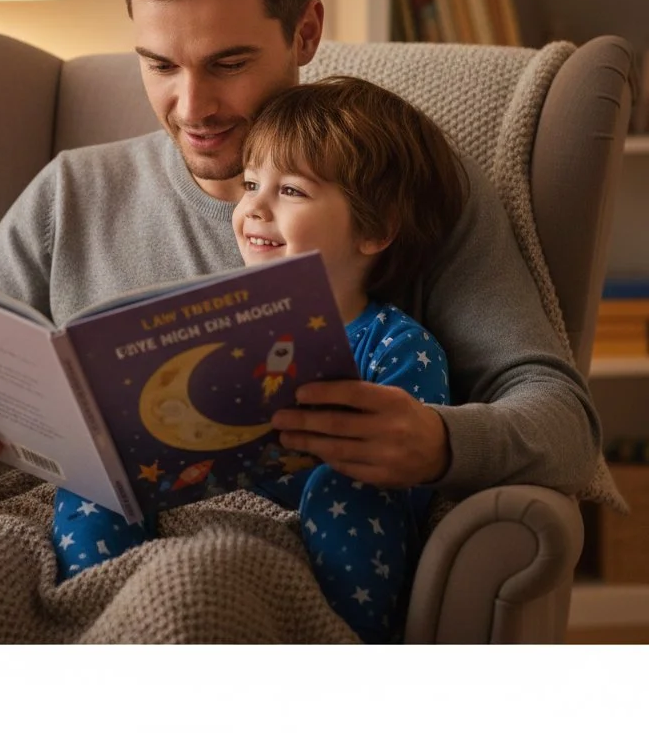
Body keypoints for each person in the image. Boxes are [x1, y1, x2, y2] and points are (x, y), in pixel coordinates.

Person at [0, 0, 600, 533]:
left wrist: (440, 444)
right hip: (53, 541)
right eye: (159, 65)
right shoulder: (71, 192)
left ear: (305, 32)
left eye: (229, 63)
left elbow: (564, 422)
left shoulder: (398, 185)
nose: (193, 107)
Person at [51, 76, 465, 642]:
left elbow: (408, 470)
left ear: (375, 229)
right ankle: (110, 620)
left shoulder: (396, 344)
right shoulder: (213, 325)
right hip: (189, 509)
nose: (254, 209)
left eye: (290, 191)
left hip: (318, 536)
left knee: (348, 488)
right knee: (93, 478)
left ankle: (339, 645)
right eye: (250, 184)